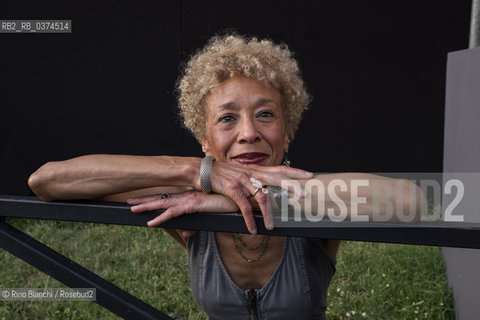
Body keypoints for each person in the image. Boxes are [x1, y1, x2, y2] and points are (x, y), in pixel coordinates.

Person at [28, 34, 422, 319]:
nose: (249, 131)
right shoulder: (185, 195)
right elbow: (48, 181)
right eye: (227, 118)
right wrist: (194, 172)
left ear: (287, 133)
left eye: (265, 114)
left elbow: (411, 201)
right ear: (205, 139)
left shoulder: (313, 197)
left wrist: (229, 199)